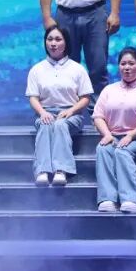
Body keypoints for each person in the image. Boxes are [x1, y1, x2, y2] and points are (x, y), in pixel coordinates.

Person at [91, 48, 136, 213]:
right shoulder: (109, 89)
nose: (127, 67)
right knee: (102, 149)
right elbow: (98, 116)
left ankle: (132, 199)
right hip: (114, 136)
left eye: (131, 63)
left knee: (122, 151)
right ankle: (107, 198)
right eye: (123, 64)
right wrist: (107, 135)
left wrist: (131, 136)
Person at [26, 24, 93, 186]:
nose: (53, 43)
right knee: (46, 124)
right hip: (45, 112)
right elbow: (33, 97)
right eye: (49, 39)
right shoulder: (37, 69)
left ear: (66, 42)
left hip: (71, 114)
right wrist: (42, 113)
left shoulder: (77, 69)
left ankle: (61, 170)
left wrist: (71, 111)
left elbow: (85, 98)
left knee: (61, 125)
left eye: (58, 39)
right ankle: (42, 171)